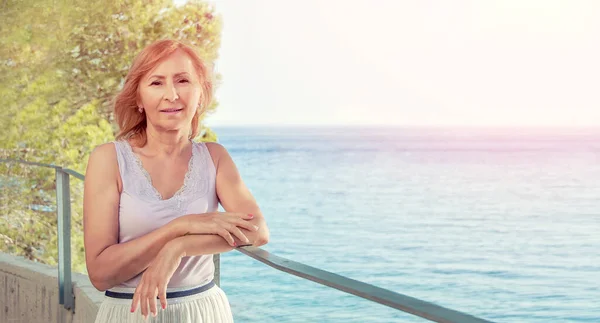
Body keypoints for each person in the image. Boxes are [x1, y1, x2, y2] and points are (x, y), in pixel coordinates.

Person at [83, 39, 270, 323]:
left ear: (200, 93)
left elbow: (257, 230)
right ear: (138, 98)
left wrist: (179, 247)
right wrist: (179, 227)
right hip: (131, 313)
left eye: (183, 80)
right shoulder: (108, 160)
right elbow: (100, 273)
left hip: (203, 312)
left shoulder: (215, 157)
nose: (172, 95)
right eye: (156, 83)